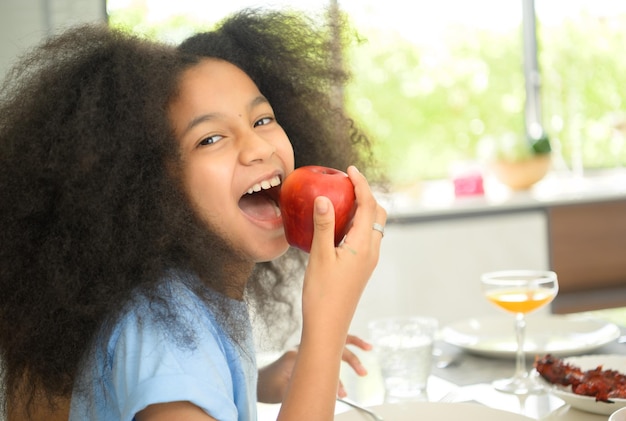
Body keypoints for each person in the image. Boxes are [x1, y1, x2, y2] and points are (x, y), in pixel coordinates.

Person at [0, 8, 386, 421]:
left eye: (263, 119)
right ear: (149, 185)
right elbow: (171, 363)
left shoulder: (187, 298)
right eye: (210, 138)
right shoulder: (161, 329)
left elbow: (187, 379)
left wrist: (264, 378)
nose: (257, 147)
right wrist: (324, 331)